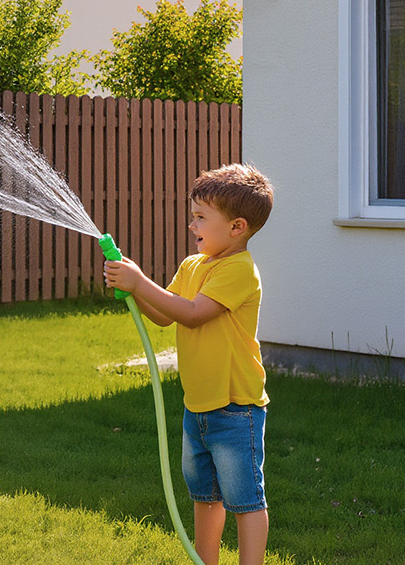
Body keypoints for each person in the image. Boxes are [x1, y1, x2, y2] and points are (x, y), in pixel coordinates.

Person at [104, 163, 275, 565]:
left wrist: (140, 282)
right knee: (205, 494)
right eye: (193, 215)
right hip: (197, 405)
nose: (191, 224)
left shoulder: (239, 270)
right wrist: (133, 291)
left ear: (237, 227)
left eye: (201, 217)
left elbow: (195, 312)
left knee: (245, 499)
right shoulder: (192, 265)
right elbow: (167, 314)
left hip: (236, 408)